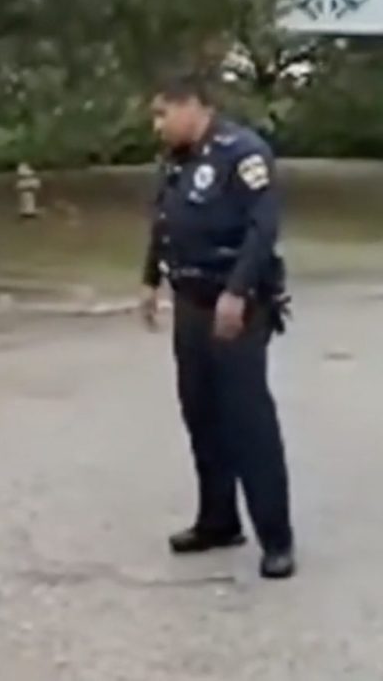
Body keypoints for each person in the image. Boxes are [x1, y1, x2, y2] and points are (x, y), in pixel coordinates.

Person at [137, 74, 295, 580]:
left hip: (237, 307)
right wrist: (149, 281)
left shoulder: (242, 153)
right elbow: (165, 222)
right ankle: (218, 519)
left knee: (248, 421)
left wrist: (238, 292)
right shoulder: (178, 160)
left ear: (193, 106)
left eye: (163, 113)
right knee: (201, 415)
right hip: (191, 301)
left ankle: (277, 538)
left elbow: (262, 227)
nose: (157, 125)